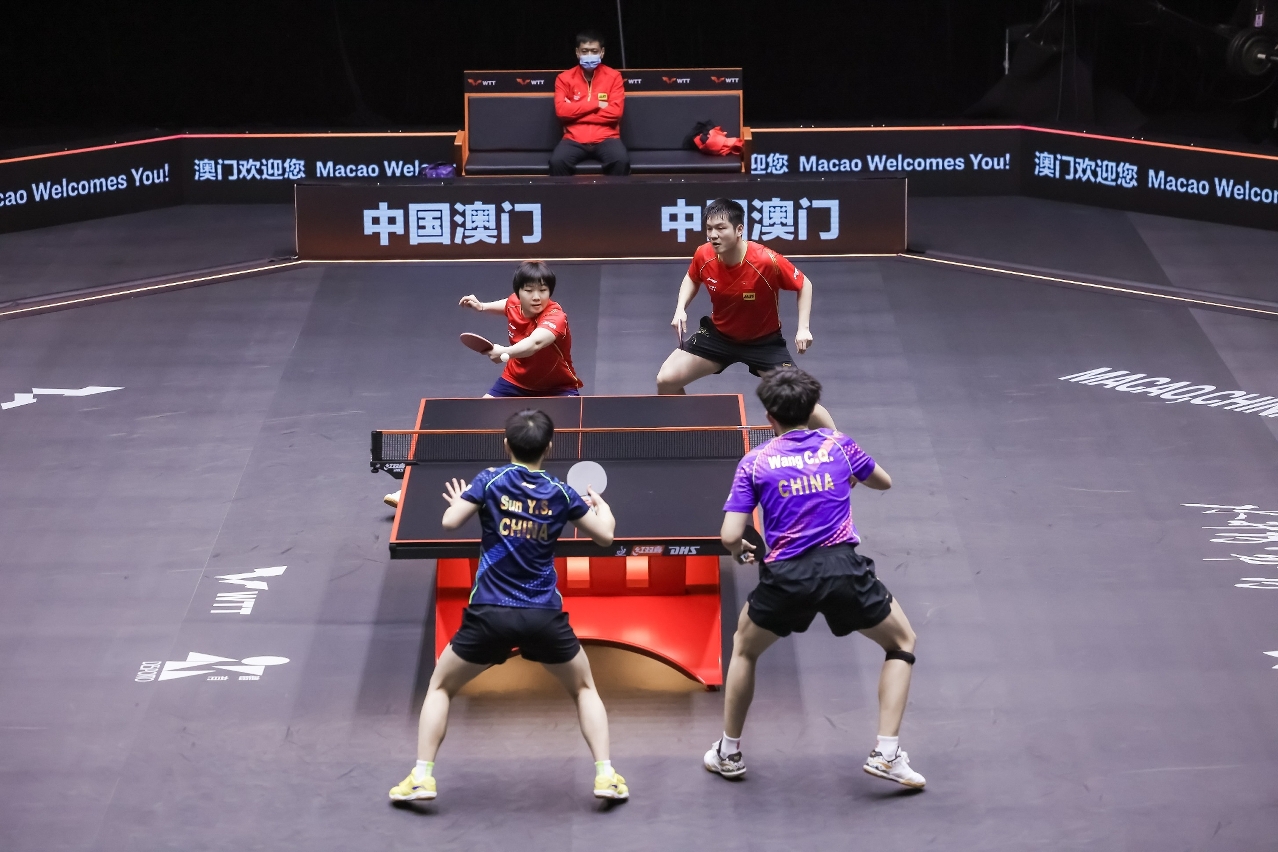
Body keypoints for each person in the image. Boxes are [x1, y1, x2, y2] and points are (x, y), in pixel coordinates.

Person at [389, 409, 630, 803]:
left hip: (490, 614)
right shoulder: (561, 492)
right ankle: (606, 776)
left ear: (506, 444)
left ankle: (421, 777)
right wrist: (605, 509)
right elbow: (605, 537)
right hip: (543, 616)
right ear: (549, 447)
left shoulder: (489, 480)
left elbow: (450, 522)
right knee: (584, 688)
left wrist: (460, 501)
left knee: (441, 687)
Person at [705, 367, 925, 789]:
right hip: (843, 570)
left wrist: (739, 550)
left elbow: (730, 535)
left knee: (744, 650)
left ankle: (728, 753)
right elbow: (883, 482)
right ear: (812, 409)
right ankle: (886, 753)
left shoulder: (755, 462)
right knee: (902, 642)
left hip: (787, 577)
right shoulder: (839, 446)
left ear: (769, 416)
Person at [384, 261, 580, 508]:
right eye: (529, 290)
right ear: (519, 291)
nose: (536, 297)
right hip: (515, 382)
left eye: (543, 290)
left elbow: (535, 343)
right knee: (471, 428)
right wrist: (483, 306)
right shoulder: (515, 303)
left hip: (558, 387)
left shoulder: (555, 316)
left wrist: (504, 351)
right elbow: (507, 304)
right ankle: (410, 489)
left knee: (567, 442)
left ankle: (567, 498)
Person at [655, 199, 836, 430]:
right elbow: (692, 277)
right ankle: (687, 432)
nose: (713, 235)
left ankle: (839, 446)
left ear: (739, 229)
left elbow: (804, 284)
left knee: (802, 401)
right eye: (709, 229)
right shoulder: (704, 254)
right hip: (719, 337)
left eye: (721, 228)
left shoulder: (765, 260)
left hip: (764, 343)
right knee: (666, 380)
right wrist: (681, 308)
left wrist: (803, 328)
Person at [549, 30, 629, 176]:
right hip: (574, 139)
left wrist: (575, 113)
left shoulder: (614, 77)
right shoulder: (564, 78)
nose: (589, 55)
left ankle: (614, 192)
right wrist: (596, 104)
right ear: (577, 53)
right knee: (557, 162)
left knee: (620, 161)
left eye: (594, 51)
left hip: (607, 138)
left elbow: (615, 113)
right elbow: (561, 111)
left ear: (602, 52)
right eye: (585, 51)